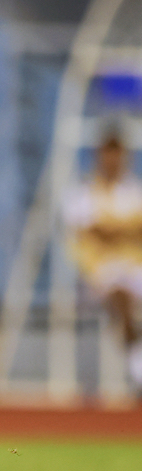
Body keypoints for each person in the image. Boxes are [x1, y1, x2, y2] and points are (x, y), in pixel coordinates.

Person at [65, 131, 142, 387]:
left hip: (134, 266)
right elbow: (88, 232)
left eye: (117, 155)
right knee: (121, 296)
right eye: (107, 155)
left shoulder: (134, 191)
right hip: (97, 271)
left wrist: (110, 229)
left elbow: (104, 230)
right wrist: (126, 229)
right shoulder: (82, 193)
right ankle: (136, 362)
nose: (112, 161)